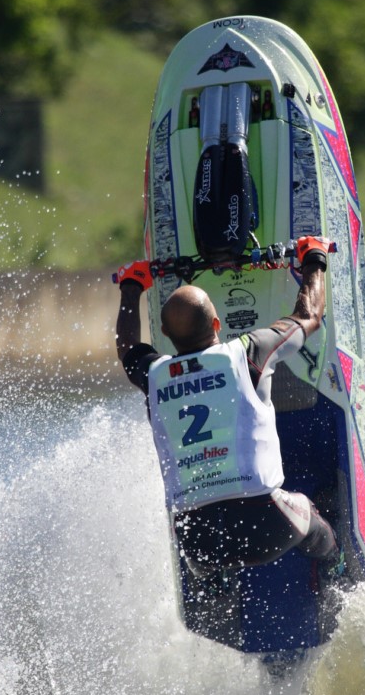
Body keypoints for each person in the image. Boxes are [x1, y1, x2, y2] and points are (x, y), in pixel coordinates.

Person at [115, 236, 340, 576]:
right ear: (217, 325)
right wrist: (314, 258)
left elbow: (127, 346)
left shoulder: (153, 374)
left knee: (201, 546)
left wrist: (131, 285)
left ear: (164, 332)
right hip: (268, 528)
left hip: (200, 543)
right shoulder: (247, 353)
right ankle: (333, 564)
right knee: (308, 513)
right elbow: (308, 317)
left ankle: (215, 586)